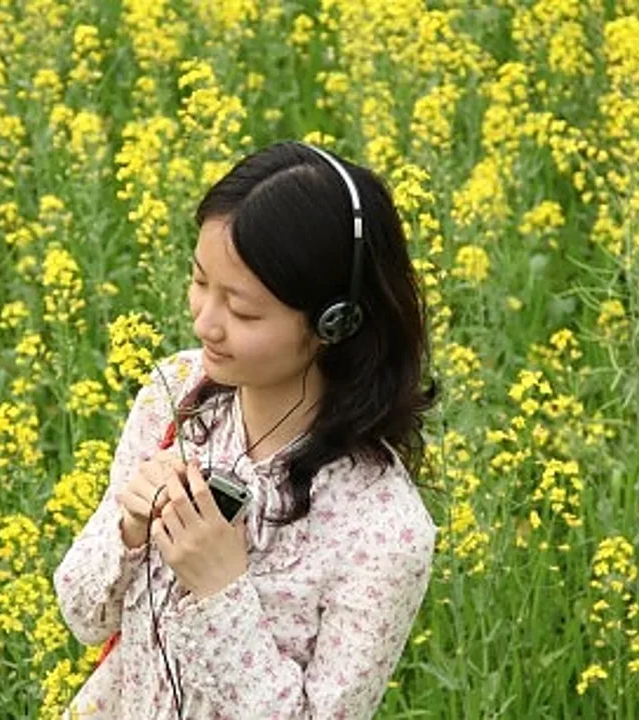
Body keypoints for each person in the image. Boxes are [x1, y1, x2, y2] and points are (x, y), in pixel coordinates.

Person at [53, 140, 438, 719]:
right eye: (199, 281)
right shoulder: (174, 398)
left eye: (243, 311)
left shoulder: (385, 531)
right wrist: (129, 530)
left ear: (335, 322)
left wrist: (220, 591)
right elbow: (84, 617)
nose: (205, 322)